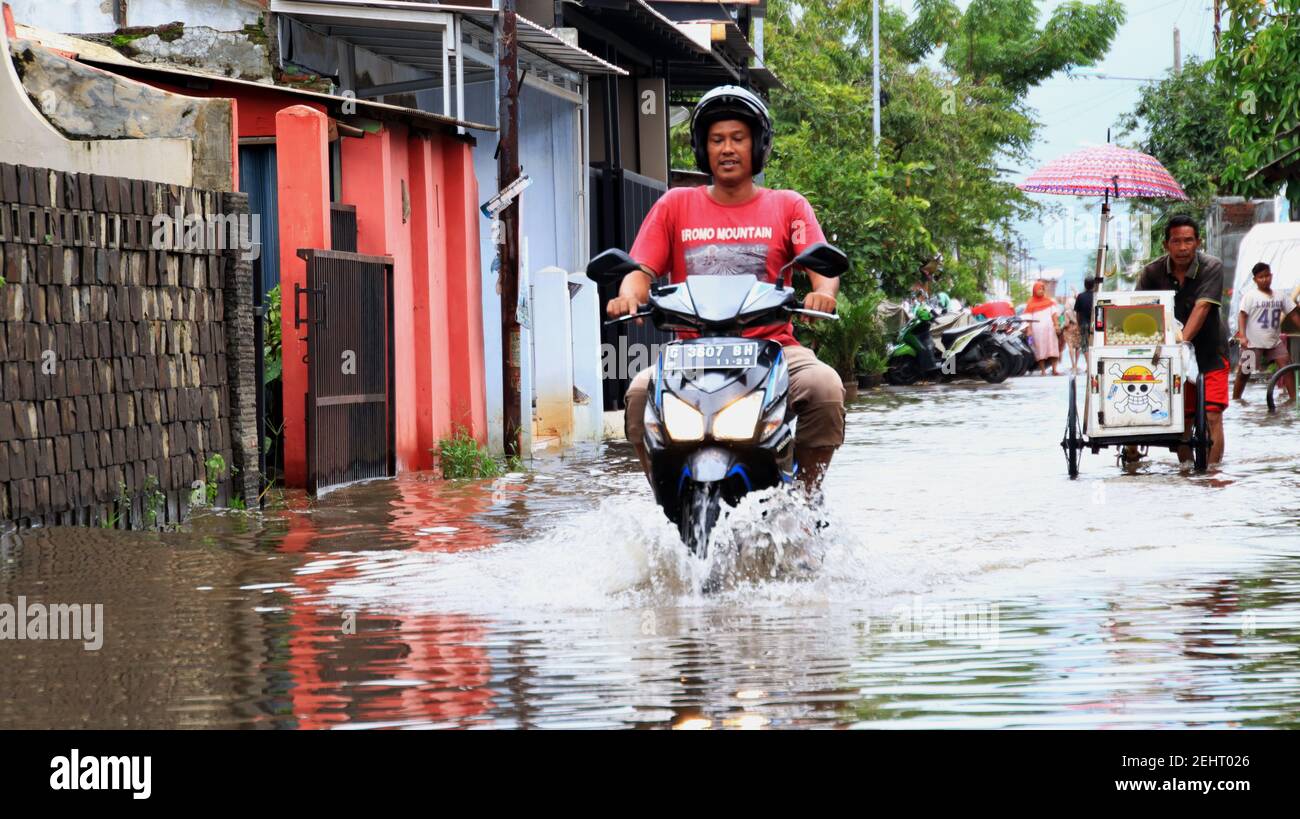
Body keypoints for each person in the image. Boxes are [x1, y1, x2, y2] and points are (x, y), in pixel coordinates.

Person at [607, 85, 846, 491]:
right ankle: (666, 498)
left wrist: (823, 292)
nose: (727, 149)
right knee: (637, 394)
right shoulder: (675, 204)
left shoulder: (789, 205)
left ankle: (806, 498)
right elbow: (641, 269)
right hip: (691, 356)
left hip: (775, 349)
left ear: (758, 145)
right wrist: (629, 294)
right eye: (717, 140)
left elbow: (821, 267)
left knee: (824, 388)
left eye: (738, 138)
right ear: (703, 148)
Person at [1135, 214, 1230, 465]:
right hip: (1170, 355)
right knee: (1183, 420)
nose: (1183, 247)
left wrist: (1182, 344)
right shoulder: (1151, 273)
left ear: (1198, 242)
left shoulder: (1212, 266)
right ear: (1166, 245)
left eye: (1188, 241)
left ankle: (1212, 474)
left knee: (1212, 414)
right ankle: (1186, 473)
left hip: (1210, 350)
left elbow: (1203, 308)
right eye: (1176, 242)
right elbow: (1138, 311)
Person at [1234, 262, 1297, 403]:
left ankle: (1294, 399)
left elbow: (1293, 314)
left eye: (1267, 276)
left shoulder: (1280, 296)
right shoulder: (1250, 296)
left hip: (1274, 341)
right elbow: (1242, 315)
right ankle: (1236, 400)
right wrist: (1243, 336)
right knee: (1244, 372)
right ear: (1255, 280)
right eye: (1261, 277)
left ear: (1271, 276)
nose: (1265, 279)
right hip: (1252, 342)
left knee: (1287, 367)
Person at [1023, 280, 1061, 375]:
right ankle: (1043, 371)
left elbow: (1054, 315)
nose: (1041, 291)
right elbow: (1028, 319)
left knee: (1053, 348)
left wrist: (1056, 325)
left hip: (1050, 329)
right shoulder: (1030, 303)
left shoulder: (1049, 301)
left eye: (1043, 289)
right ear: (1034, 290)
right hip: (1037, 331)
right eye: (1039, 289)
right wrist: (1029, 329)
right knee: (1040, 349)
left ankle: (1054, 369)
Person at [1060, 290, 1081, 374]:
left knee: (1070, 347)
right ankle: (1076, 364)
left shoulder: (1067, 312)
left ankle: (1073, 365)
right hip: (1077, 328)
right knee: (1078, 347)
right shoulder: (1077, 311)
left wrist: (1061, 327)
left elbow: (1066, 323)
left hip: (1069, 330)